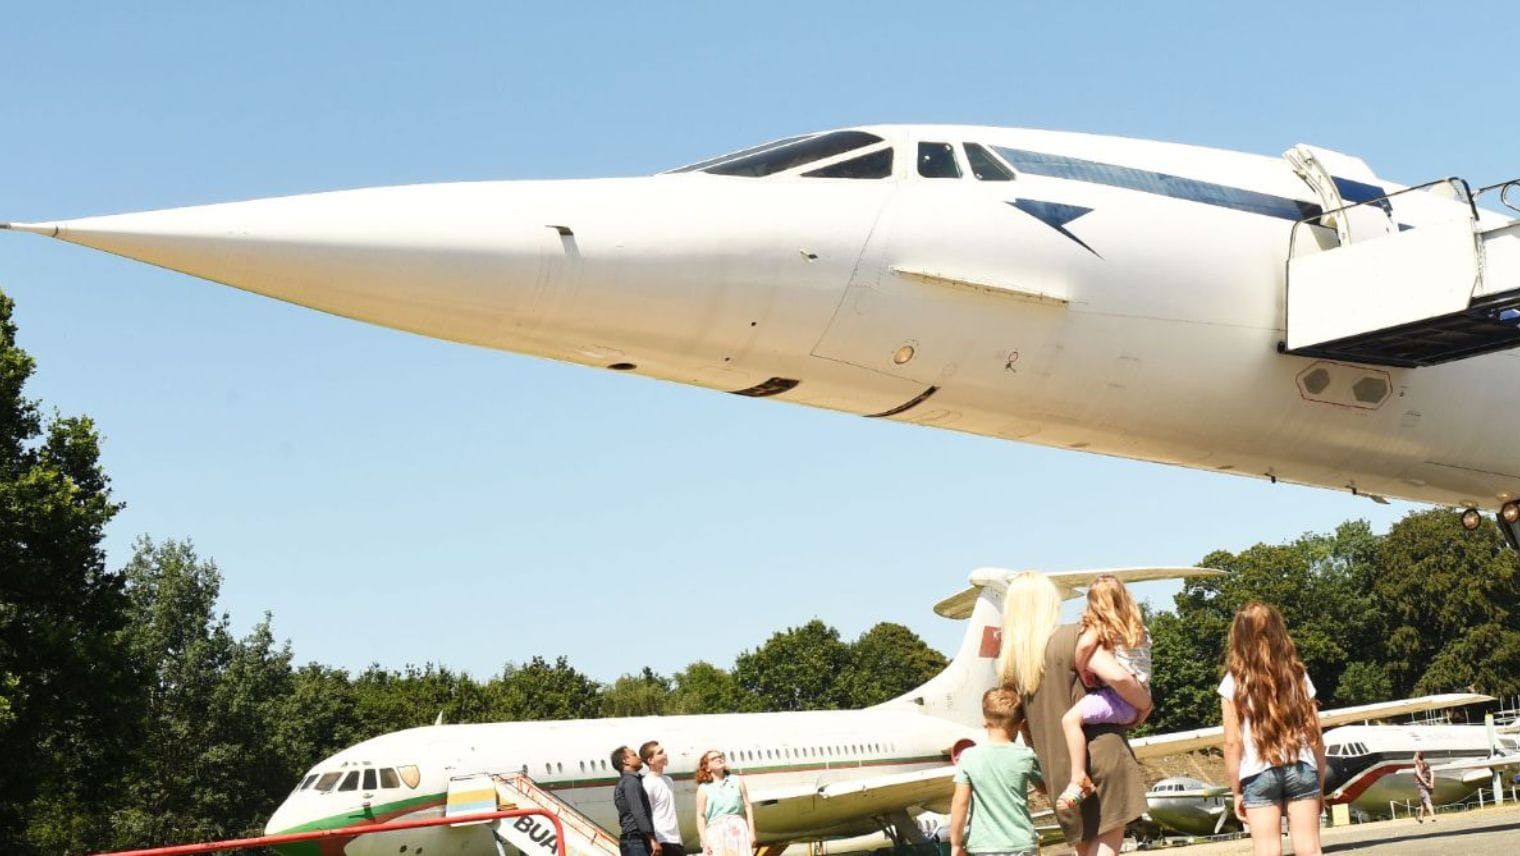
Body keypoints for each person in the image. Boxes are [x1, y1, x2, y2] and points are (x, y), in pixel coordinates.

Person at [999, 572, 1150, 856]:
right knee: (1107, 844)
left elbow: (1024, 728)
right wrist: (1143, 703)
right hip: (1101, 753)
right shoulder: (1073, 637)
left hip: (1057, 767)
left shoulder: (1013, 665)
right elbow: (1118, 676)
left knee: (1085, 848)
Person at [1220, 602, 1326, 856]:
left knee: (1267, 849)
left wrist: (1236, 791)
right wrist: (1320, 782)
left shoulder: (1233, 682)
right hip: (1300, 765)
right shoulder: (1296, 675)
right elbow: (1315, 736)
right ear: (1279, 632)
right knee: (1309, 847)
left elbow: (1233, 743)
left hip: (1258, 771)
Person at [1057, 575, 1152, 810]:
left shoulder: (1102, 628)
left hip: (1117, 698)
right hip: (1137, 695)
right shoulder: (1137, 628)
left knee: (1070, 720)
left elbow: (1084, 646)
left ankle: (1078, 777)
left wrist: (1083, 669)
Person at [950, 687, 1045, 856]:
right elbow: (1045, 788)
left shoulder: (969, 757)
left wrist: (956, 844)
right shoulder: (1026, 756)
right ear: (1022, 724)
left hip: (984, 846)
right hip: (1021, 843)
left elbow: (960, 803)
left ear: (984, 721)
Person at [694, 749, 755, 856]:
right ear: (707, 767)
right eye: (714, 758)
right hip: (715, 832)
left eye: (720, 756)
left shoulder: (737, 781)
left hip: (738, 830)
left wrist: (752, 832)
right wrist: (704, 841)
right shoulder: (703, 788)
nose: (719, 759)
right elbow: (700, 816)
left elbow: (747, 806)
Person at [612, 745, 661, 856]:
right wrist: (652, 839)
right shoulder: (631, 782)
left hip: (632, 840)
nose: (639, 758)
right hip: (636, 841)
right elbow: (638, 811)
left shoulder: (627, 781)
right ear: (625, 761)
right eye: (634, 755)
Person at [641, 740, 686, 856]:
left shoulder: (668, 780)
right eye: (660, 753)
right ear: (650, 760)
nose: (665, 754)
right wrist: (652, 840)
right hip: (661, 839)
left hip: (675, 839)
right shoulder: (647, 783)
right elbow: (645, 813)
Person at [1412, 751, 1435, 823]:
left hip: (1422, 786)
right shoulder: (1426, 764)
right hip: (1428, 785)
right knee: (1423, 803)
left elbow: (1420, 776)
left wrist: (1426, 784)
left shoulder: (1417, 766)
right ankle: (1421, 818)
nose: (1413, 758)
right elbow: (1432, 773)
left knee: (1427, 801)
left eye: (1415, 756)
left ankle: (1433, 817)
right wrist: (1431, 783)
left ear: (1417, 757)